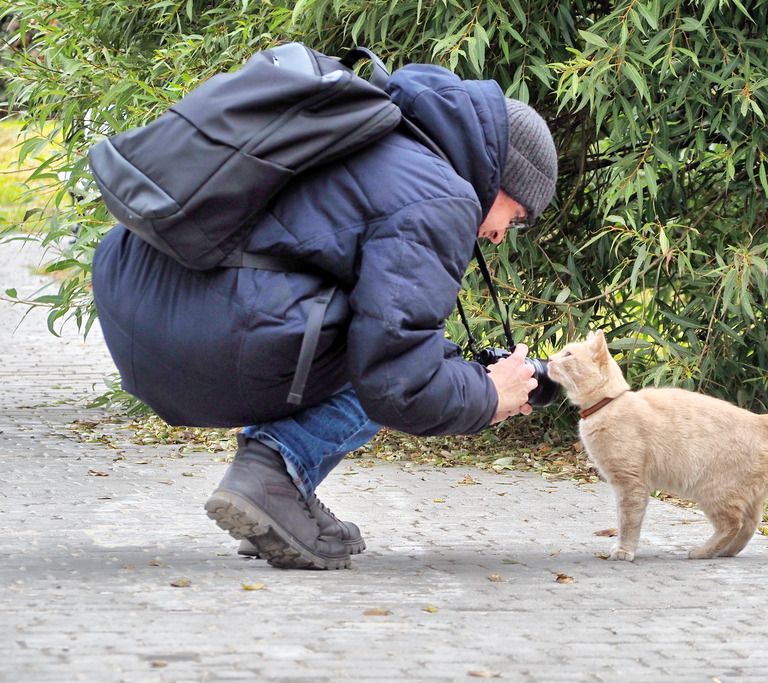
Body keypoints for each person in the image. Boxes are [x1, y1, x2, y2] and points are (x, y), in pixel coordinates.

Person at [91, 60, 559, 570]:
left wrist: (461, 375)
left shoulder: (381, 137)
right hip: (203, 331)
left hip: (139, 300)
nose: (497, 235)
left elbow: (396, 330)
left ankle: (283, 491)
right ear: (505, 180)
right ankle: (271, 473)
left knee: (380, 337)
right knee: (381, 357)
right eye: (514, 220)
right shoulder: (437, 196)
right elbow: (399, 377)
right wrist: (490, 394)